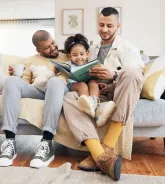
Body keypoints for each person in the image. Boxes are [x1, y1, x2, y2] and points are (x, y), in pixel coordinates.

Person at [62, 7, 144, 181]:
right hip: (96, 91)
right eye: (101, 25)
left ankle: (106, 147)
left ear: (118, 26)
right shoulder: (93, 46)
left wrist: (113, 76)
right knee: (69, 97)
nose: (104, 29)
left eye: (109, 25)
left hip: (118, 91)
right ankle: (100, 156)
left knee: (131, 73)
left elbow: (137, 76)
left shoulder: (127, 48)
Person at [0, 30, 69, 168]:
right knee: (11, 81)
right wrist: (16, 76)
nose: (53, 47)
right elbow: (25, 82)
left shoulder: (67, 57)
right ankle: (9, 142)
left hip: (57, 90)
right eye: (47, 47)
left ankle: (46, 143)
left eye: (53, 43)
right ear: (38, 49)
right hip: (37, 90)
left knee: (54, 82)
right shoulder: (31, 60)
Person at [63, 34, 115, 127]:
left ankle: (95, 103)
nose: (79, 57)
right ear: (69, 56)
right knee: (82, 84)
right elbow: (62, 71)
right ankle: (87, 103)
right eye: (75, 55)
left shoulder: (89, 64)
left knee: (93, 82)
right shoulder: (68, 64)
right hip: (74, 84)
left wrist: (99, 82)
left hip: (88, 82)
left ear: (87, 54)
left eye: (82, 54)